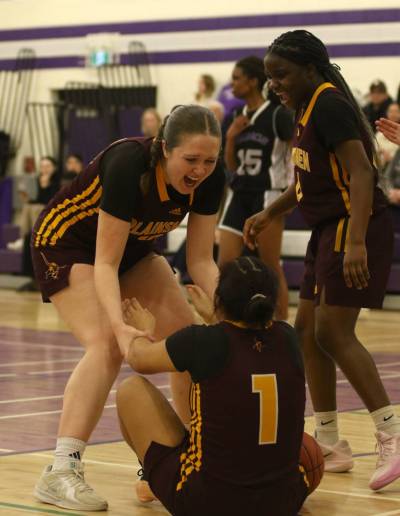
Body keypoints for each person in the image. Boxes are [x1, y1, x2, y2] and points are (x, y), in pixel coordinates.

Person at [31, 104, 226, 511]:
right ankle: (61, 471)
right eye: (190, 160)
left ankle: (187, 458)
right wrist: (121, 327)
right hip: (67, 244)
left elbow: (202, 261)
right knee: (106, 343)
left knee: (188, 339)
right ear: (163, 148)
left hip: (131, 250)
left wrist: (232, 313)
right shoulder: (128, 164)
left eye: (209, 160)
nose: (200, 170)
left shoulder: (209, 178)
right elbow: (104, 262)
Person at [244, 30, 400, 491]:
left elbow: (362, 172)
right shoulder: (303, 109)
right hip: (327, 228)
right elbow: (309, 180)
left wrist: (355, 243)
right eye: (270, 77)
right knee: (306, 332)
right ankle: (330, 441)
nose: (274, 84)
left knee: (333, 331)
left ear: (310, 69)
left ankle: (391, 435)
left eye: (282, 75)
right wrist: (271, 210)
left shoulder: (329, 104)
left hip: (354, 226)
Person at [117, 256, 311, 516]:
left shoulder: (202, 341)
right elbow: (244, 346)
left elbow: (139, 359)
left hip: (207, 503)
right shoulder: (288, 338)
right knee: (309, 450)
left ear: (221, 299)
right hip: (284, 502)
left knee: (131, 390)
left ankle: (151, 475)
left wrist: (144, 330)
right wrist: (214, 316)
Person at [219, 55, 293, 320]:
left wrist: (292, 186)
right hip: (239, 194)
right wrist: (230, 139)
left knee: (271, 266)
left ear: (252, 82)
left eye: (237, 78)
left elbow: (297, 149)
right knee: (224, 265)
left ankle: (282, 327)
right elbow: (231, 164)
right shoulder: (235, 116)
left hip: (268, 195)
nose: (232, 84)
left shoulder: (277, 116)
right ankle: (225, 325)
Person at [376, 103, 400, 170]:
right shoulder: (380, 133)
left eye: (396, 111)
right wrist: (381, 153)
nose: (393, 114)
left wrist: (391, 158)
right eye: (391, 111)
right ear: (387, 113)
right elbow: (375, 149)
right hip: (381, 168)